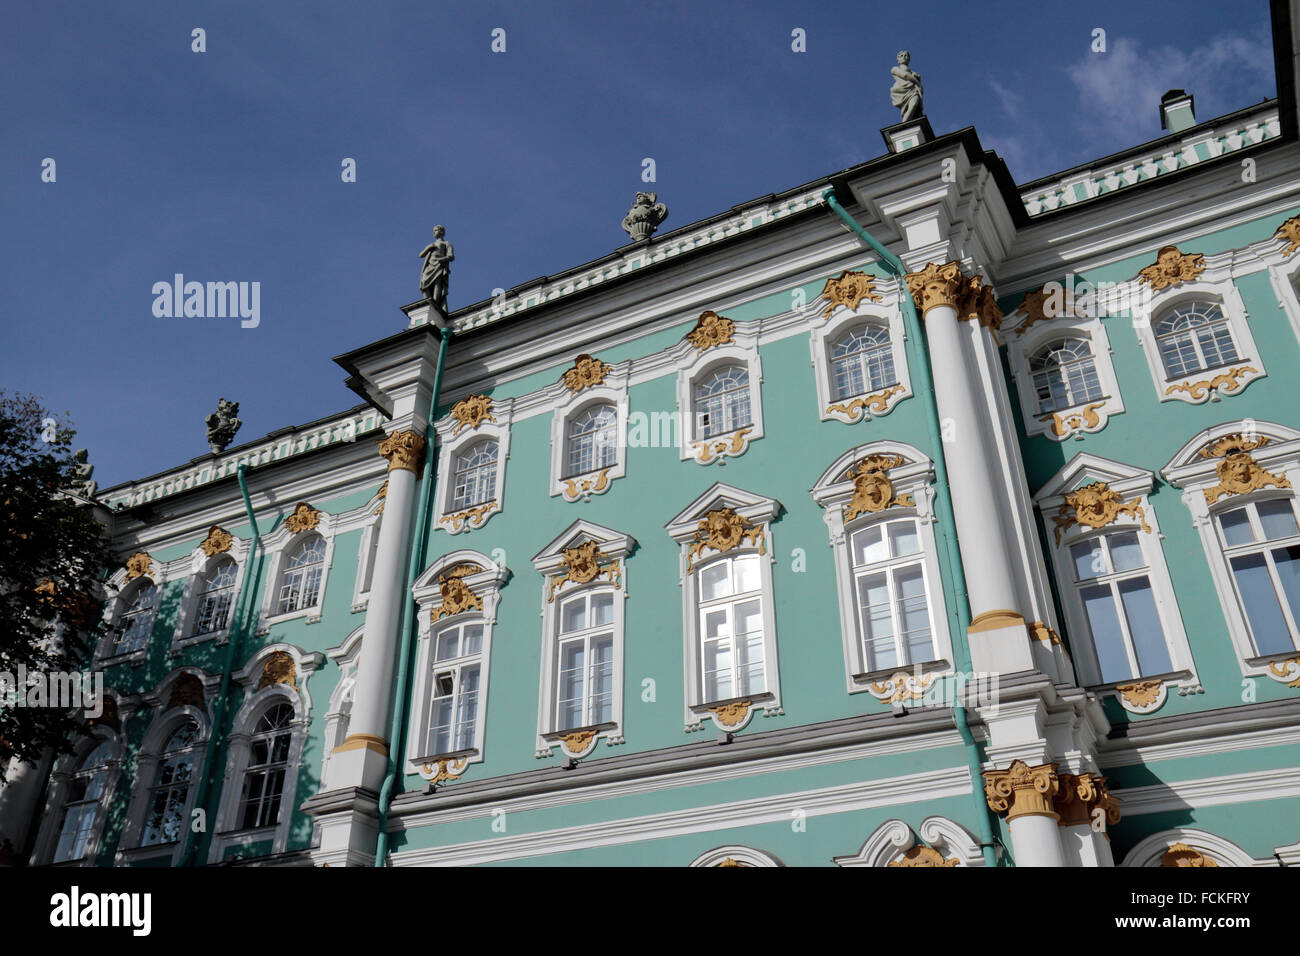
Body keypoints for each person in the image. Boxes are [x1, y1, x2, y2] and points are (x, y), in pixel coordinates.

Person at [419, 225, 455, 313]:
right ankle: (427, 302)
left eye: (436, 230)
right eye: (434, 231)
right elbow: (421, 255)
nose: (434, 232)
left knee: (437, 284)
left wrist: (441, 259)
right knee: (424, 283)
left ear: (442, 232)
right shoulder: (431, 245)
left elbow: (451, 256)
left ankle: (435, 304)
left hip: (439, 265)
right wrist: (428, 248)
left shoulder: (446, 243)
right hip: (430, 266)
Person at [890, 50, 923, 122]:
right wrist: (917, 82)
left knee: (914, 105)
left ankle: (906, 124)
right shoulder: (894, 69)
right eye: (901, 56)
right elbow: (905, 75)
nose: (904, 57)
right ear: (898, 59)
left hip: (913, 91)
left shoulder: (913, 73)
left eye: (906, 56)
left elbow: (920, 89)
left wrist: (918, 80)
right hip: (901, 91)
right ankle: (904, 125)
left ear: (909, 59)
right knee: (907, 110)